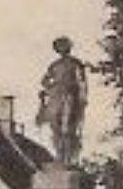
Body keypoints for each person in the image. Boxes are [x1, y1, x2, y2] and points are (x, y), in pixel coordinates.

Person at [35, 36, 88, 165]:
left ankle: (67, 158)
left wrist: (82, 99)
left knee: (67, 128)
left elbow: (82, 82)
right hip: (57, 97)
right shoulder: (54, 65)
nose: (62, 50)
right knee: (55, 127)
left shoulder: (76, 63)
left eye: (64, 47)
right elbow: (44, 81)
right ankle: (60, 155)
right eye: (60, 47)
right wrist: (50, 87)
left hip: (70, 97)